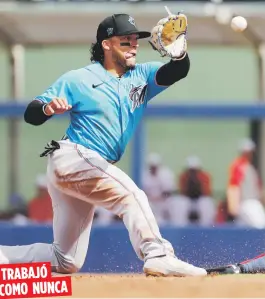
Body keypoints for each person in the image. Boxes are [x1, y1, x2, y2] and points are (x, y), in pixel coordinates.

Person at [1, 13, 206, 277]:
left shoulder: (142, 75)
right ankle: (157, 254)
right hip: (72, 156)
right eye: (126, 40)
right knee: (132, 195)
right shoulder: (80, 78)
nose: (134, 45)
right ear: (106, 44)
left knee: (65, 261)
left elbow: (177, 71)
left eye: (135, 40)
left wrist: (179, 54)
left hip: (89, 167)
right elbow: (32, 112)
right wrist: (48, 108)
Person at [226, 138, 265, 229]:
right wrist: (233, 204)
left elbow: (258, 190)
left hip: (249, 203)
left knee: (243, 232)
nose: (249, 154)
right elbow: (233, 186)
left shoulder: (250, 167)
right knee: (261, 227)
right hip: (247, 203)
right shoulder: (239, 165)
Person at [168, 156, 216, 226]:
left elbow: (206, 193)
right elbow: (183, 192)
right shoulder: (184, 176)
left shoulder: (204, 176)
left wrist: (197, 183)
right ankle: (180, 226)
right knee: (180, 203)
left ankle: (205, 226)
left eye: (195, 170)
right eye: (191, 170)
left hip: (200, 199)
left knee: (206, 203)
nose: (193, 172)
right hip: (188, 200)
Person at [142, 153, 176, 225]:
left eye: (155, 166)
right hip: (150, 200)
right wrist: (151, 198)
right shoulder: (144, 175)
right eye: (152, 166)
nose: (154, 168)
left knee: (174, 204)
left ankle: (174, 225)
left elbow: (169, 191)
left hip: (164, 200)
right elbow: (143, 191)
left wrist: (159, 198)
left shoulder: (166, 173)